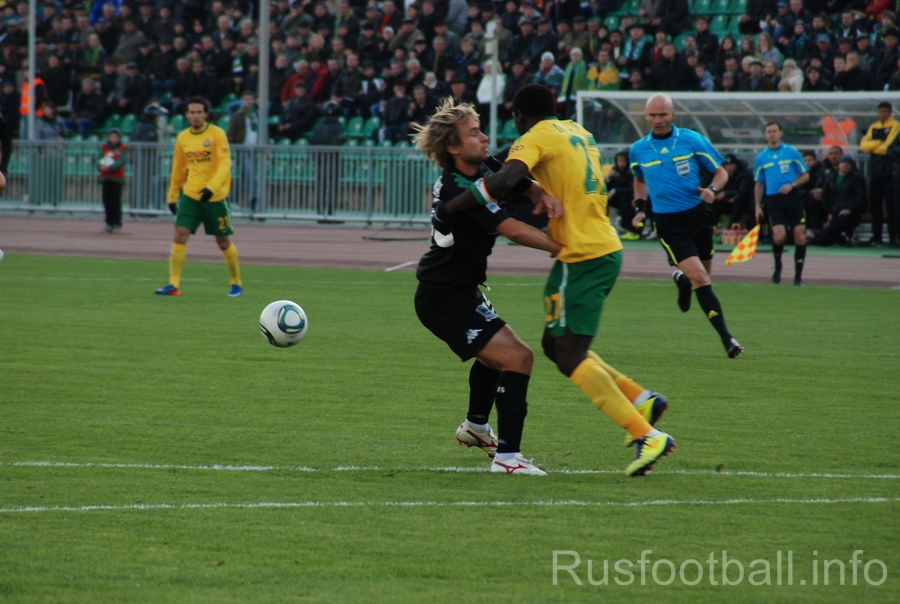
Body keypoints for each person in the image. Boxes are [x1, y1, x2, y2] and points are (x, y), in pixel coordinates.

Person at [442, 84, 676, 477]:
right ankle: (641, 398)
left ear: (519, 117)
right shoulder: (577, 131)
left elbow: (505, 179)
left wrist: (453, 205)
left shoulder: (534, 137)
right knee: (556, 344)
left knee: (569, 355)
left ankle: (646, 435)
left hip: (581, 254)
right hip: (603, 246)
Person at [411, 98, 563, 475]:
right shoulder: (456, 187)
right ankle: (508, 458)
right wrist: (563, 248)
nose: (484, 138)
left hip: (461, 289)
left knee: (495, 357)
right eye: (474, 133)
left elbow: (517, 180)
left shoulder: (479, 166)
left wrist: (540, 194)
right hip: (442, 297)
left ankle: (476, 427)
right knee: (518, 357)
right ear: (453, 147)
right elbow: (511, 229)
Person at [630, 93, 743, 359]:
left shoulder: (692, 139)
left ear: (673, 115)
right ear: (646, 116)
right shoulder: (638, 149)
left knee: (704, 277)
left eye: (662, 114)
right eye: (652, 115)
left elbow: (721, 172)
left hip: (699, 216)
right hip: (668, 223)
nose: (657, 120)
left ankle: (682, 280)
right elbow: (639, 179)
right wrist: (640, 209)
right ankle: (728, 339)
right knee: (701, 278)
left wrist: (712, 190)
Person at [155, 97, 242, 297]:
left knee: (223, 241)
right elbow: (179, 168)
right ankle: (173, 284)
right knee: (180, 234)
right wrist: (172, 195)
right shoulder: (183, 138)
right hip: (191, 195)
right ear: (187, 115)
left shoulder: (217, 134)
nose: (196, 116)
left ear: (206, 114)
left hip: (215, 197)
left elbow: (225, 163)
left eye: (199, 112)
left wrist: (212, 187)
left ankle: (236, 282)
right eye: (192, 112)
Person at [753, 121, 810, 286]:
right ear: (765, 135)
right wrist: (757, 205)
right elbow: (759, 183)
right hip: (773, 199)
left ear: (780, 133)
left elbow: (805, 175)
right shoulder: (761, 157)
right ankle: (778, 266)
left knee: (799, 235)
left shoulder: (791, 152)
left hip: (793, 197)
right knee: (779, 237)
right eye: (769, 131)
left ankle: (798, 277)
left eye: (774, 131)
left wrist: (792, 185)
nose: (772, 134)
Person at [859, 101, 900, 247]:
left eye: (885, 111)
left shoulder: (896, 125)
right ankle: (877, 237)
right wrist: (878, 143)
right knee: (875, 205)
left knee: (891, 205)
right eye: (880, 111)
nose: (883, 114)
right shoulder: (874, 126)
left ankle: (894, 237)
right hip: (875, 171)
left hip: (890, 171)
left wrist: (875, 145)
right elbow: (864, 146)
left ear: (890, 113)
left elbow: (888, 147)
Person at [814, 154, 867, 247]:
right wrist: (829, 212)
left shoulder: (857, 179)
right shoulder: (831, 177)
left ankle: (848, 235)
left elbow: (861, 198)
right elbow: (825, 197)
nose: (845, 165)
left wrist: (850, 209)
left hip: (851, 213)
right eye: (843, 162)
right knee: (822, 240)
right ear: (839, 164)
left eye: (848, 163)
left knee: (839, 222)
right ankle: (843, 238)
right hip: (835, 212)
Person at [98, 128, 127, 233]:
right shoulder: (104, 147)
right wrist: (100, 166)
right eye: (112, 136)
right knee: (107, 201)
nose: (114, 139)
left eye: (116, 137)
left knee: (116, 201)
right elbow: (98, 158)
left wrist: (110, 167)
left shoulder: (122, 148)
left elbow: (122, 160)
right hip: (106, 178)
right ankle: (109, 223)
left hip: (117, 178)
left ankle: (117, 223)